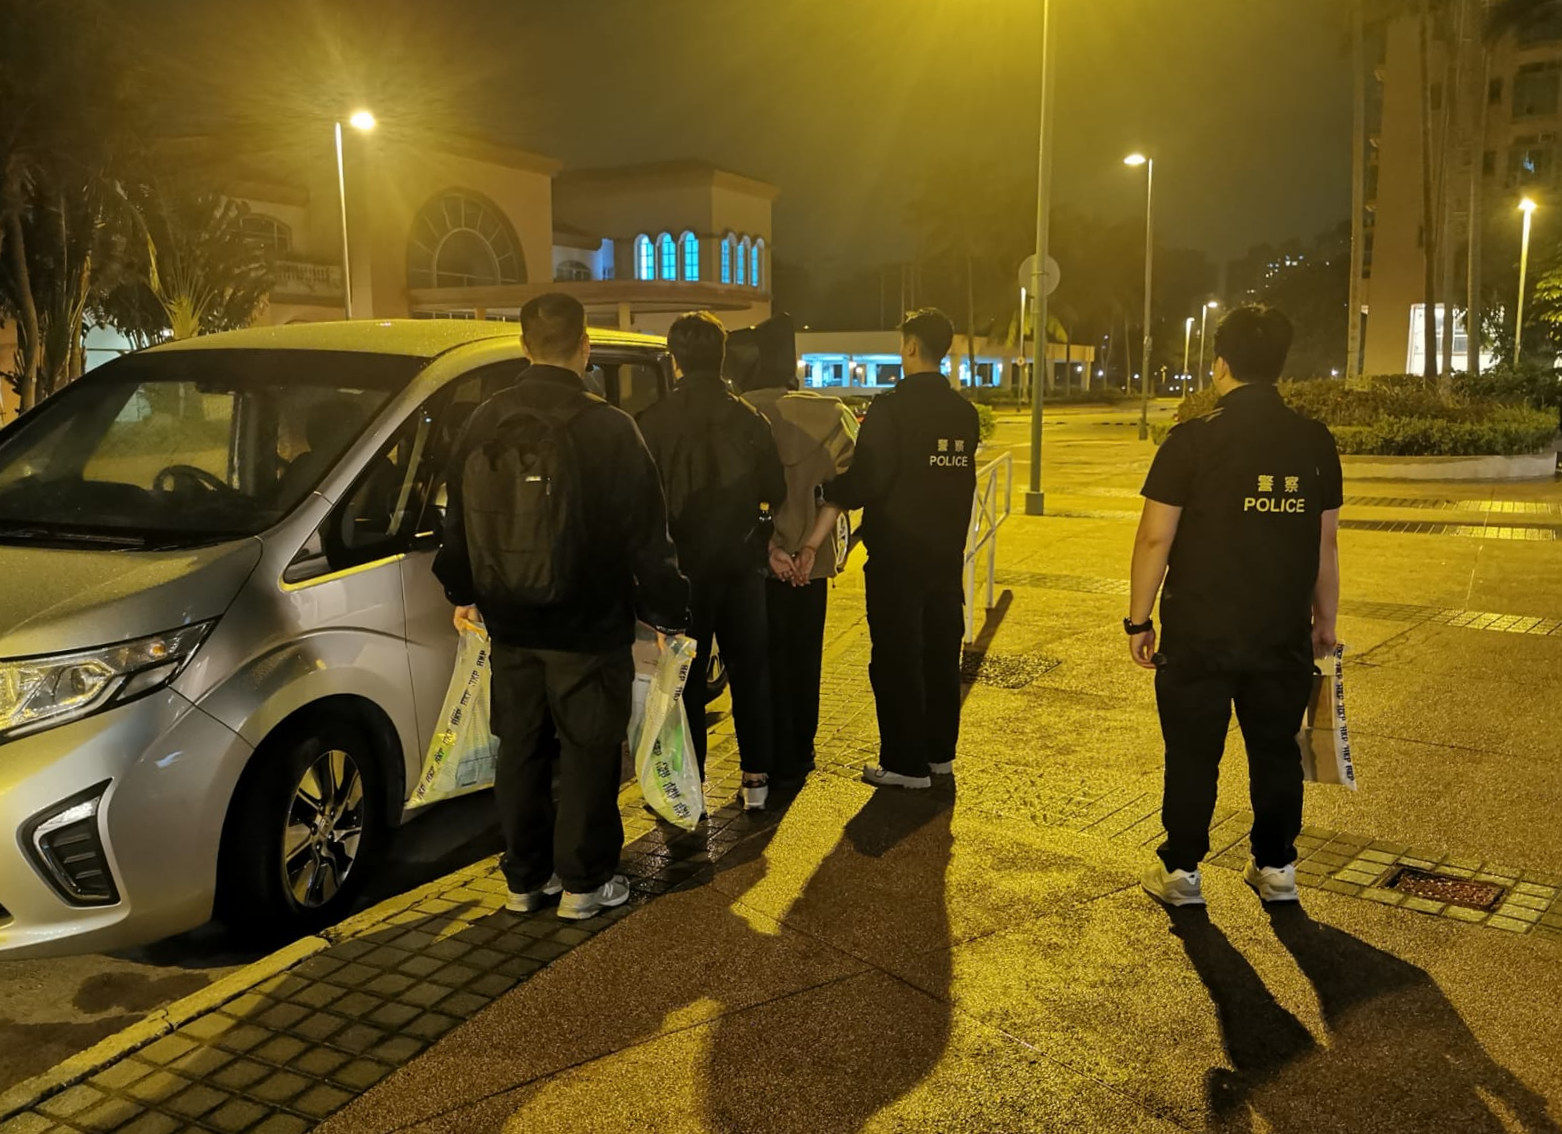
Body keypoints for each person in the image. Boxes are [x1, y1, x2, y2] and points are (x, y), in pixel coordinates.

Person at [434, 292, 688, 920]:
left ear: (523, 345)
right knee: (587, 749)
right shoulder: (608, 428)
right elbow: (646, 534)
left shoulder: (483, 420)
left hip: (510, 620)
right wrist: (666, 611)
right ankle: (584, 882)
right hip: (587, 622)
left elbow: (457, 516)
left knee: (518, 746)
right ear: (585, 346)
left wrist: (463, 592)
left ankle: (525, 879)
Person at [1128, 304, 1342, 909]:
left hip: (1200, 632)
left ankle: (1183, 873)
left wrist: (1138, 619)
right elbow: (1325, 544)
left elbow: (1154, 538)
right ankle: (1276, 867)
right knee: (1276, 750)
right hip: (1281, 632)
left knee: (1193, 751)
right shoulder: (1314, 442)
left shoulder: (1193, 440)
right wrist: (1325, 620)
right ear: (1279, 364)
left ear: (1221, 363)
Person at [796, 308, 979, 790]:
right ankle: (940, 755)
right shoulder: (964, 413)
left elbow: (868, 480)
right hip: (944, 556)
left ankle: (904, 763)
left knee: (898, 656)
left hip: (898, 557)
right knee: (941, 653)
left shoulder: (891, 409)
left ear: (912, 347)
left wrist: (828, 491)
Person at [637, 311, 787, 811]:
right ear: (722, 357)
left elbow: (641, 508)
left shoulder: (651, 424)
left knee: (686, 682)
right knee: (750, 673)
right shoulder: (749, 418)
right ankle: (756, 782)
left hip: (682, 574)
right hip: (742, 568)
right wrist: (757, 527)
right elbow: (774, 491)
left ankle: (691, 787)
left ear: (674, 360)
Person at [728, 314, 859, 786]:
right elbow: (846, 488)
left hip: (753, 561)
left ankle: (759, 760)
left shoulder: (737, 411)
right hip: (810, 566)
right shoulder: (831, 413)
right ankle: (798, 755)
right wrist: (808, 547)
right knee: (803, 661)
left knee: (757, 665)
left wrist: (770, 550)